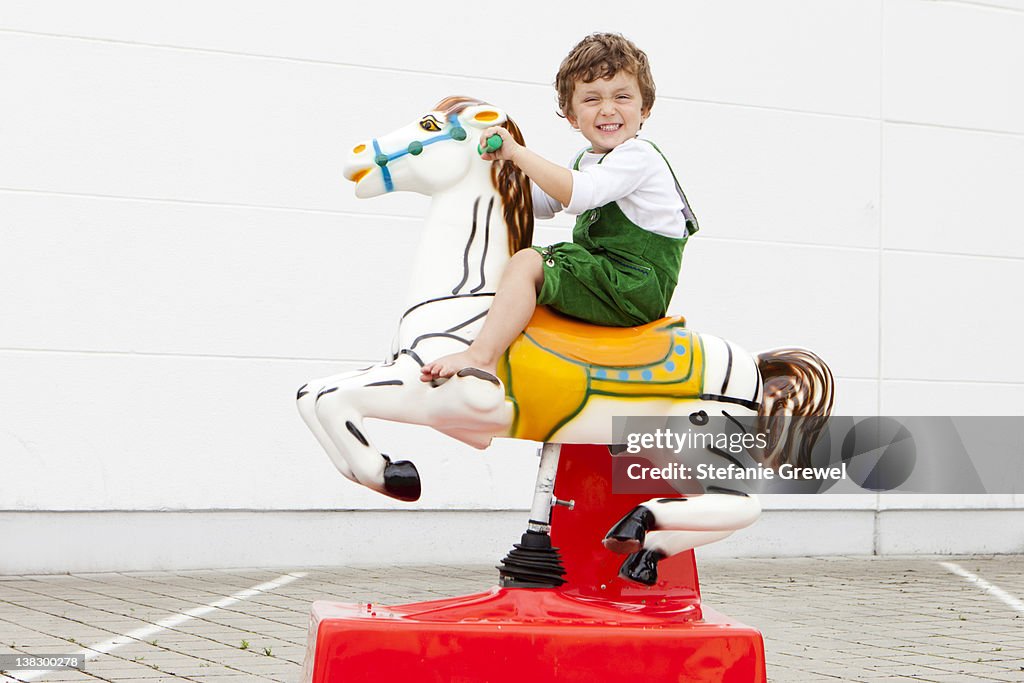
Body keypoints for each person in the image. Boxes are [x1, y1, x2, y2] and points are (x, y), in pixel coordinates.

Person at [420, 32, 698, 383]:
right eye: (592, 99)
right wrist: (489, 173)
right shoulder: (586, 159)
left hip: (632, 285)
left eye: (622, 97)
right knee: (513, 272)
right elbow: (538, 202)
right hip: (605, 275)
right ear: (570, 115)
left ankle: (481, 357)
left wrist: (517, 153)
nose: (608, 109)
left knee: (527, 262)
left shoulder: (639, 157)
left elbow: (579, 194)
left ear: (644, 109)